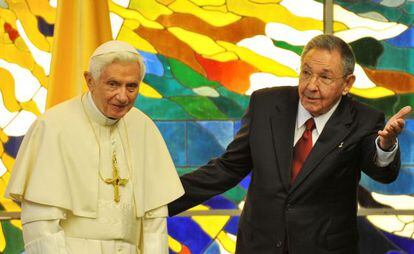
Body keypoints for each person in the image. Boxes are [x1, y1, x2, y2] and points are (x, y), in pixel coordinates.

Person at [168, 34, 411, 254]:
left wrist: (386, 144)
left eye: (325, 77)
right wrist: (160, 200)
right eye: (306, 73)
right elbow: (227, 168)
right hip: (259, 246)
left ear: (347, 84)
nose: (310, 85)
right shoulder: (266, 104)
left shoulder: (363, 119)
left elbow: (382, 171)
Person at [6, 40, 184, 254]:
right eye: (113, 84)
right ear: (90, 81)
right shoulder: (53, 127)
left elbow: (154, 221)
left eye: (131, 86)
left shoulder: (144, 128)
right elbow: (41, 225)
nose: (123, 96)